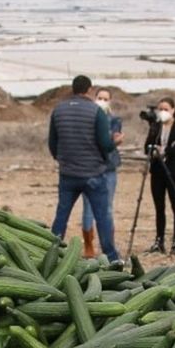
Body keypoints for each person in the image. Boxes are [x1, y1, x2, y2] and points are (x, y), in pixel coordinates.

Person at [49, 75, 120, 262]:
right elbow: (105, 144)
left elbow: (52, 144)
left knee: (61, 216)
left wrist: (64, 160)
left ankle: (50, 254)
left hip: (68, 174)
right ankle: (112, 258)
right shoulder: (95, 111)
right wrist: (114, 144)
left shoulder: (58, 110)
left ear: (73, 89)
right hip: (93, 174)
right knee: (103, 217)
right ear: (89, 90)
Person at [80, 87, 123, 258]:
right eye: (100, 97)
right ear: (94, 98)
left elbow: (110, 142)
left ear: (110, 102)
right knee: (88, 208)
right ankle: (88, 244)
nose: (103, 101)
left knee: (108, 208)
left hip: (109, 167)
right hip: (90, 167)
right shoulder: (87, 118)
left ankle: (108, 244)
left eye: (106, 99)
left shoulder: (114, 120)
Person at [145, 98, 175, 254]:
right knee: (159, 206)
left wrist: (164, 150)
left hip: (173, 171)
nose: (162, 112)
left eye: (166, 109)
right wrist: (154, 148)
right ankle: (159, 240)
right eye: (160, 109)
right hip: (157, 171)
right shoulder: (155, 127)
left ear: (173, 110)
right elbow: (147, 147)